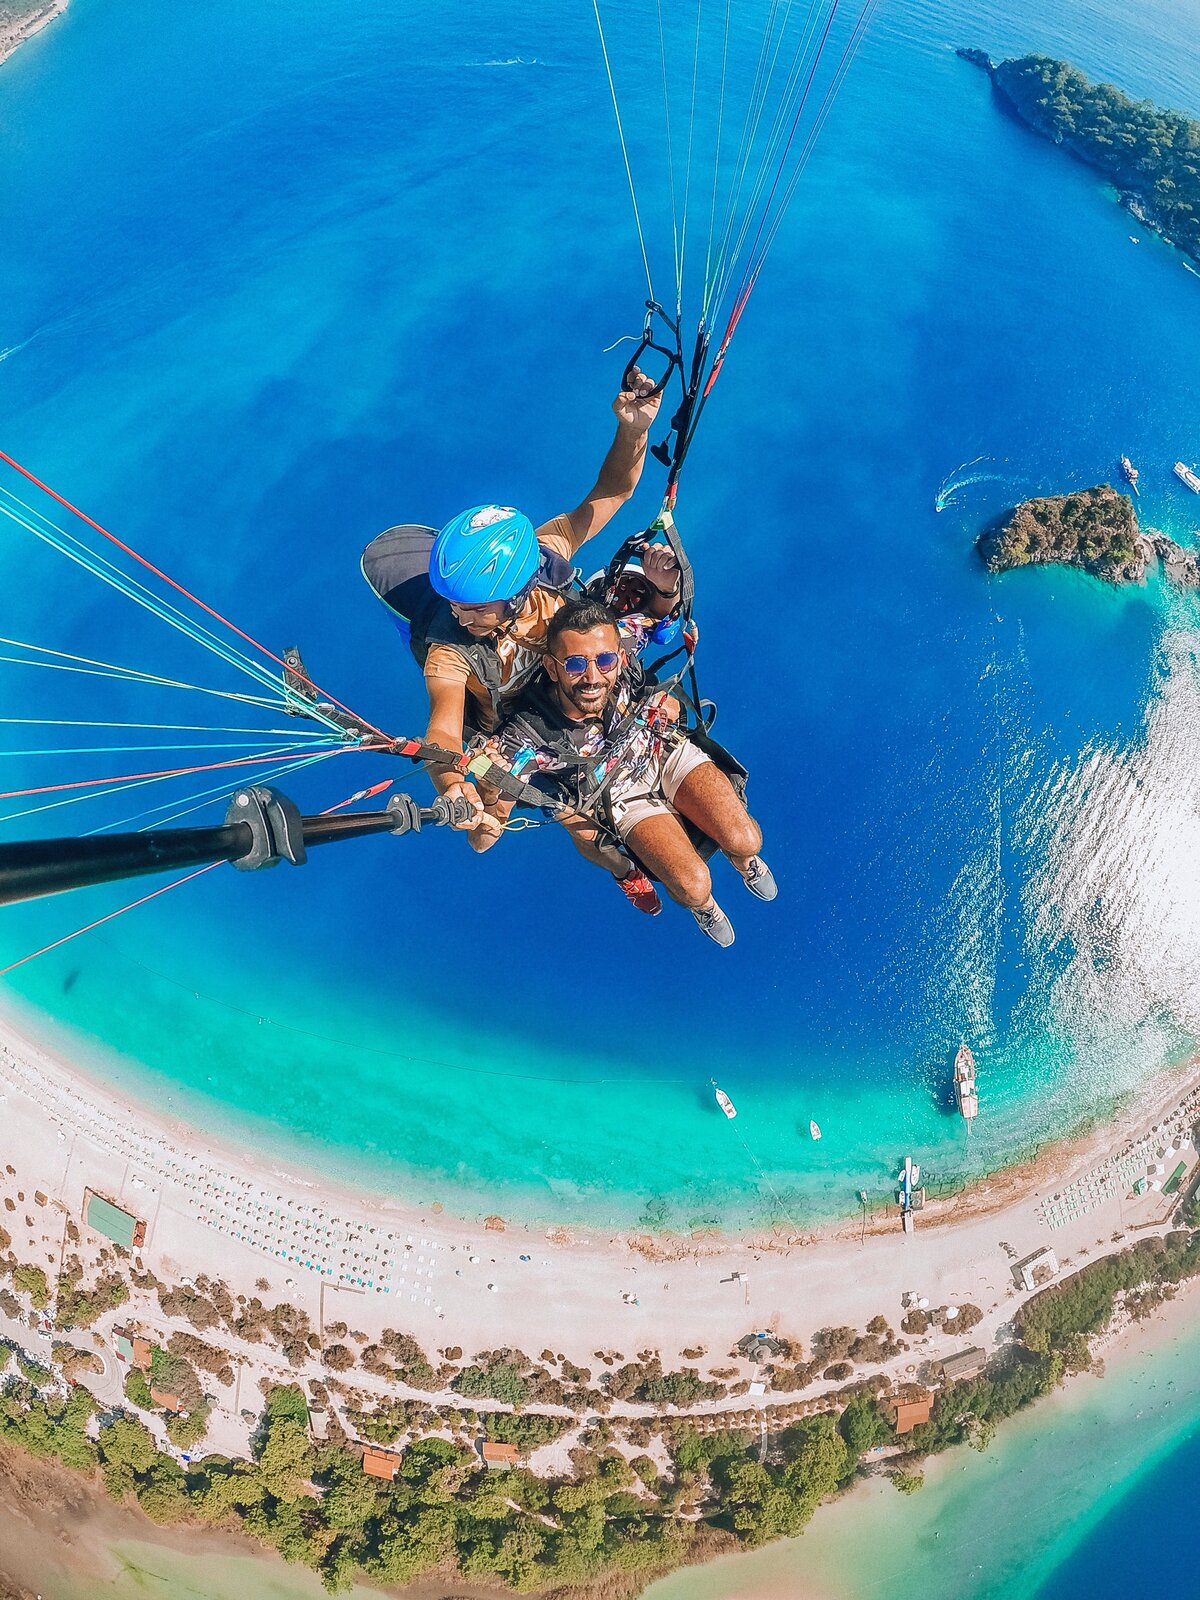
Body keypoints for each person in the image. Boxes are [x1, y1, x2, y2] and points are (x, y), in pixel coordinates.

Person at [360, 371, 663, 832]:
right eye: (453, 602)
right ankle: (607, 850)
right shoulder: (449, 650)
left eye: (476, 606)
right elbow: (442, 726)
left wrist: (633, 429)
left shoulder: (544, 561)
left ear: (521, 591)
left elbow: (611, 492)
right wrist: (448, 781)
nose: (460, 615)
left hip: (575, 682)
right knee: (488, 829)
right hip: (516, 728)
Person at [470, 597, 776, 946]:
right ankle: (703, 906)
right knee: (693, 886)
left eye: (604, 661)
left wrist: (664, 587)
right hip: (621, 797)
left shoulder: (624, 641)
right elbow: (483, 839)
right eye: (574, 664)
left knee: (745, 839)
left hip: (665, 753)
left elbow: (661, 616)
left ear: (620, 658)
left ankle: (745, 861)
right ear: (552, 668)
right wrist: (489, 787)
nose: (592, 677)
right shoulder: (526, 737)